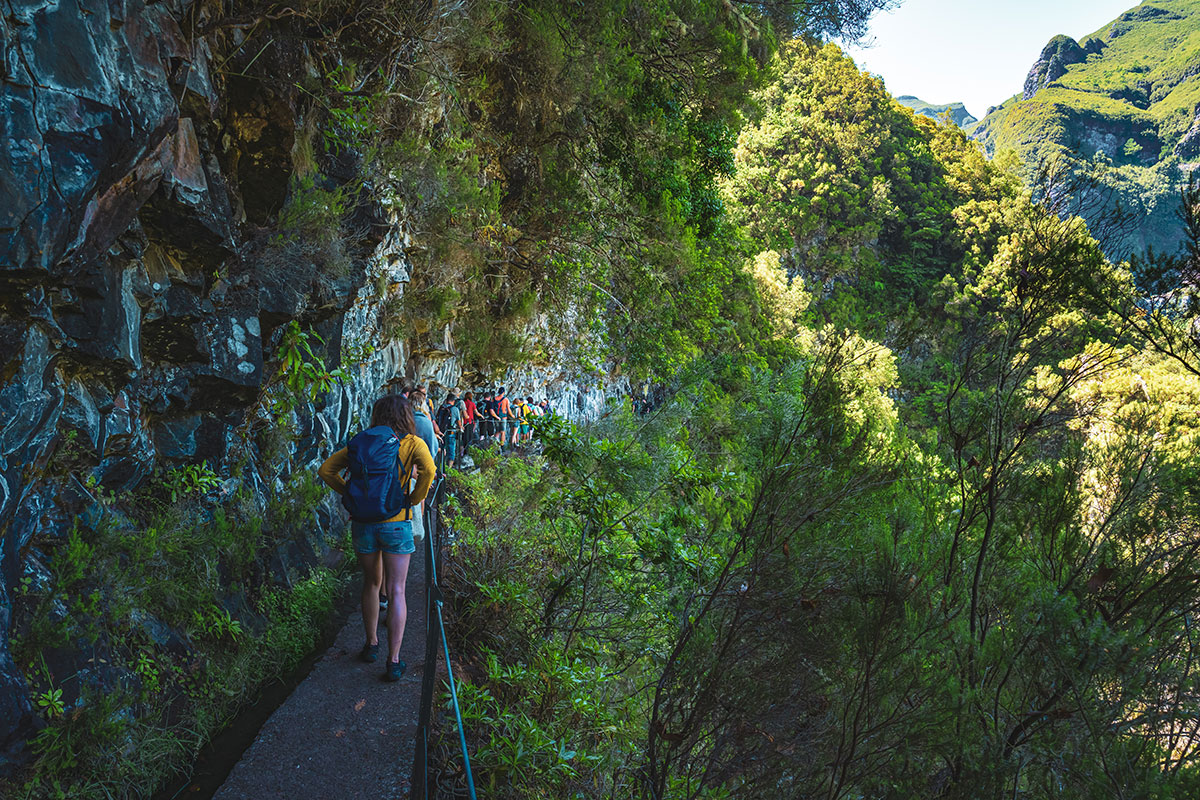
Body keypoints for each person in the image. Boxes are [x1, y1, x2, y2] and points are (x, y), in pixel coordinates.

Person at [318, 395, 435, 682]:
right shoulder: (412, 443)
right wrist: (412, 499)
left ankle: (371, 644)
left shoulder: (362, 442)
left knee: (371, 584)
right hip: (397, 525)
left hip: (364, 524)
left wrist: (349, 493)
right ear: (406, 415)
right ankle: (393, 661)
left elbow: (326, 470)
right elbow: (430, 471)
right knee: (396, 591)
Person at [436, 392, 463, 469]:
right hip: (451, 431)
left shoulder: (441, 407)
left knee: (442, 447)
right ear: (453, 401)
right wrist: (460, 427)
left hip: (441, 431)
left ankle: (441, 466)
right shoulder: (454, 409)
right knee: (451, 449)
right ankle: (449, 468)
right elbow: (458, 421)